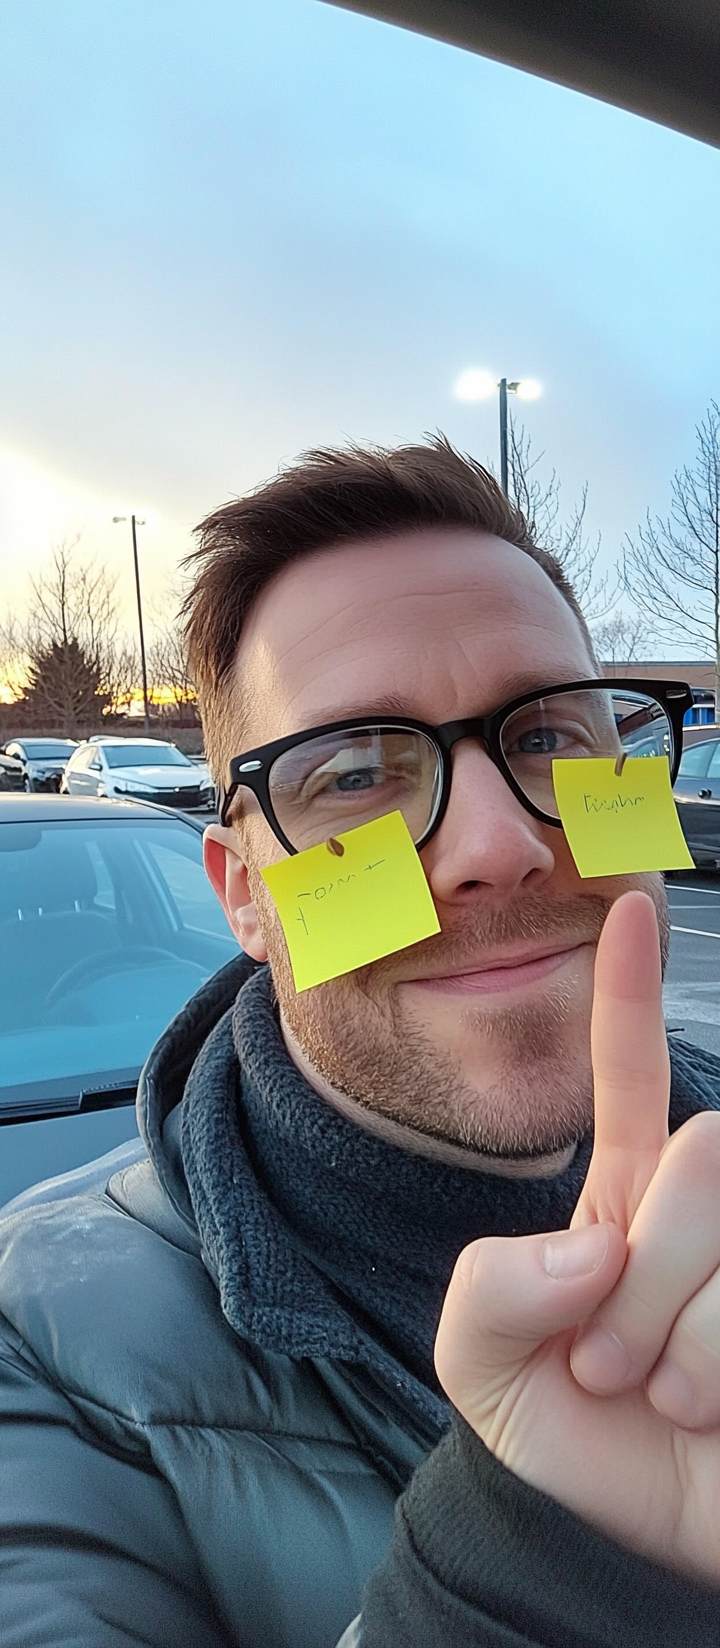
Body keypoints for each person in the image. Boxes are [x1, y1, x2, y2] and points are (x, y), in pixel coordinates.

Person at [1, 439, 719, 1648]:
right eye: (356, 773)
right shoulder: (42, 1351)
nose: (496, 842)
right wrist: (532, 1566)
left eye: (550, 738)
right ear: (243, 896)